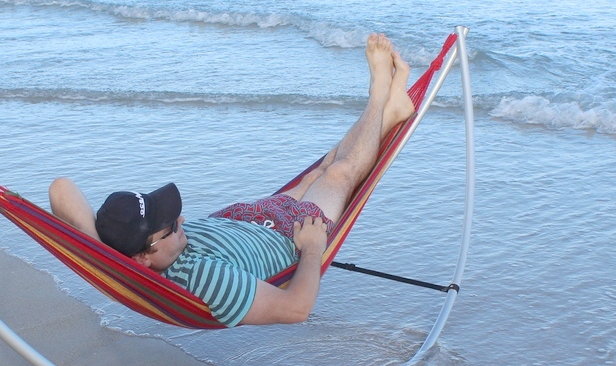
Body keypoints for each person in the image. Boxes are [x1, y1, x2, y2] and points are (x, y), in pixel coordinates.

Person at [49, 34, 414, 327]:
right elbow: (295, 310)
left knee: (322, 169)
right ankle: (379, 96)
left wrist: (107, 256)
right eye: (171, 226)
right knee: (340, 173)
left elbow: (60, 188)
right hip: (289, 235)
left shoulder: (139, 252)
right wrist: (314, 248)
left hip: (244, 219)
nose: (181, 220)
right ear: (146, 257)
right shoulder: (203, 280)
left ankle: (391, 111)